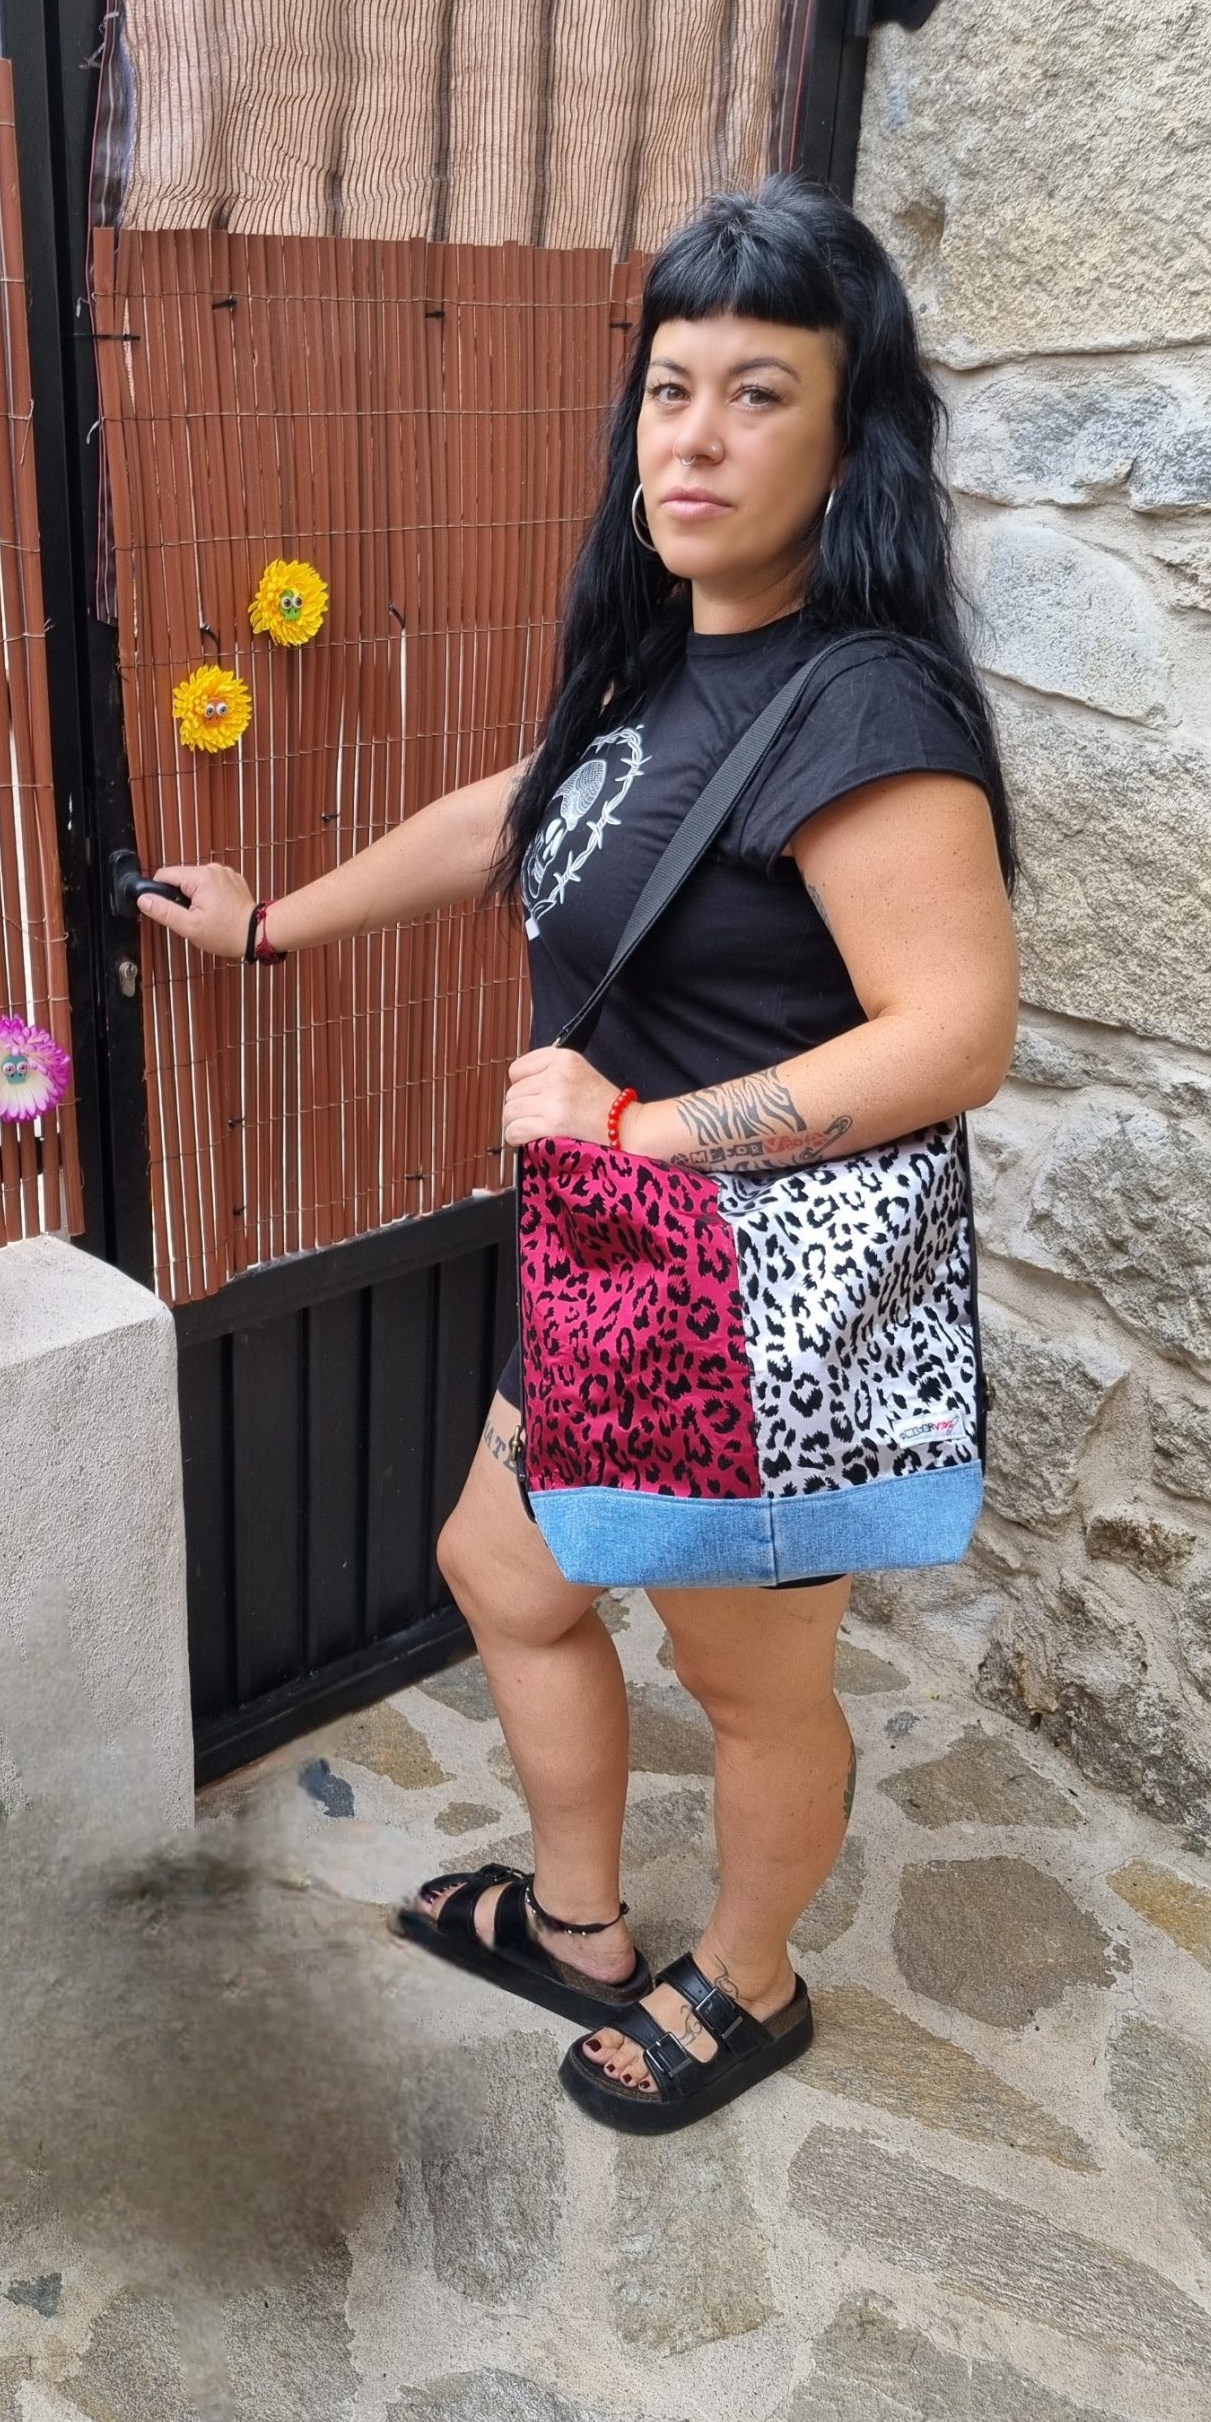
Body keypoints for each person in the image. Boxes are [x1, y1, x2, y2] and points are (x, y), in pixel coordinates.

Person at [135, 177, 1019, 2133]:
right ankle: (579, 1924)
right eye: (670, 389)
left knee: (751, 1683)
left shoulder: (864, 703)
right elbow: (511, 815)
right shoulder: (667, 659)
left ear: (850, 438)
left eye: (758, 395)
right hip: (618, 1274)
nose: (692, 439)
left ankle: (752, 1979)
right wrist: (270, 925)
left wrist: (642, 1125)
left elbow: (954, 1031)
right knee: (502, 1568)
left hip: (753, 1311)